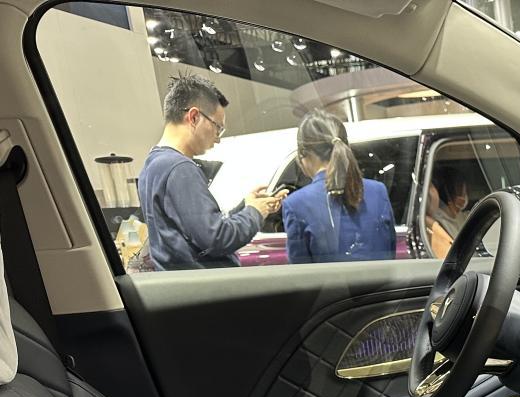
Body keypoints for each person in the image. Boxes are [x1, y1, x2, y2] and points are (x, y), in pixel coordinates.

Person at [137, 74, 280, 270]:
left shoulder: (153, 164)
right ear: (194, 117)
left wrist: (245, 206)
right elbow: (216, 239)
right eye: (217, 127)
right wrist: (255, 213)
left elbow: (195, 230)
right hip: (202, 284)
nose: (218, 138)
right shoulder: (180, 169)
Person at [281, 111, 395, 264]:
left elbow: (300, 271)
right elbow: (390, 253)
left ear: (303, 153)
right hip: (381, 280)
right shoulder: (378, 191)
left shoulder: (295, 204)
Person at [431, 167, 469, 246]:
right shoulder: (440, 223)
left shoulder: (462, 217)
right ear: (449, 195)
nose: (464, 197)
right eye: (462, 193)